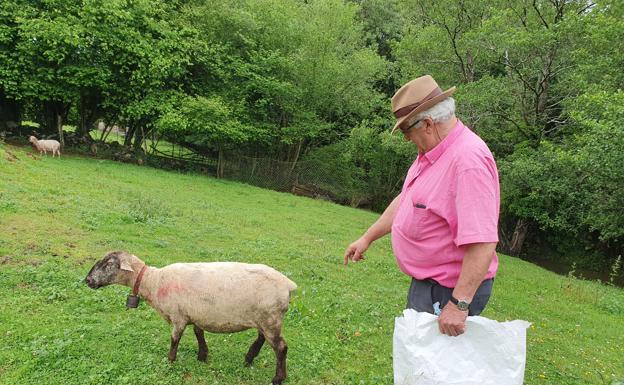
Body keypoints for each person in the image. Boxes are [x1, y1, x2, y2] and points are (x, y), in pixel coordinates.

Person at [344, 75, 500, 337]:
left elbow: (482, 243)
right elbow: (407, 199)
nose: (406, 139)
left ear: (428, 123)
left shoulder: (468, 162)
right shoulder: (431, 153)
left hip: (448, 290)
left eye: (407, 130)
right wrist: (367, 237)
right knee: (418, 357)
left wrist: (459, 304)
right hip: (428, 284)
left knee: (434, 371)